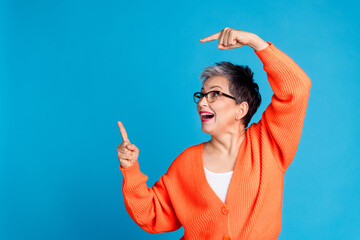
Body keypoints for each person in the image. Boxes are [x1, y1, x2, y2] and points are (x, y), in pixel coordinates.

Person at [116, 27, 311, 240]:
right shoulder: (186, 162)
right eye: (201, 95)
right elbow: (152, 214)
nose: (201, 102)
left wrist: (256, 42)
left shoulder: (269, 145)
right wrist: (130, 168)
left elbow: (297, 88)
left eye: (214, 94)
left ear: (241, 109)